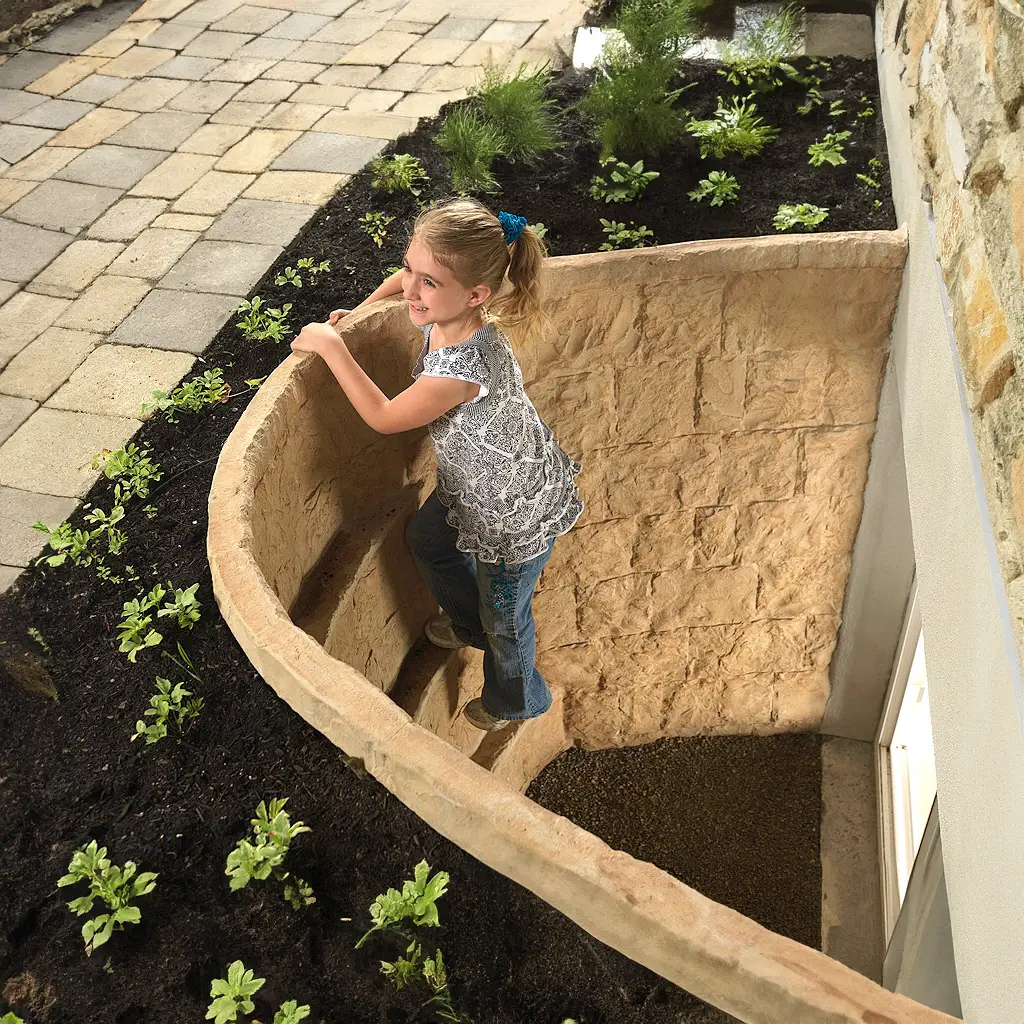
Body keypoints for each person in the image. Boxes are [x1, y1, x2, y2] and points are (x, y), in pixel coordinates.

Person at [291, 199, 583, 732]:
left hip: (511, 512)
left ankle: (517, 699)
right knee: (428, 542)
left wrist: (334, 348)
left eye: (427, 282)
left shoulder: (462, 368)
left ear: (476, 295)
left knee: (506, 618)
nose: (409, 289)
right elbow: (397, 286)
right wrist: (354, 317)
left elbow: (384, 417)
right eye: (410, 269)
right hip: (471, 485)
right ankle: (469, 625)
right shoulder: (451, 313)